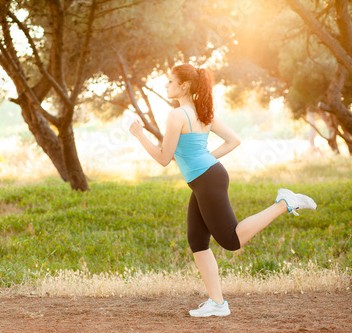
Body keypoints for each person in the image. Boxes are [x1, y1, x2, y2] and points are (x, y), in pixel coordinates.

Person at [129, 63, 317, 317]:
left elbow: (164, 158)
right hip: (207, 177)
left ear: (183, 85)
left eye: (170, 82)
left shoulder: (177, 115)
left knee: (231, 240)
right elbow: (233, 141)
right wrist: (207, 158)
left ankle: (284, 202)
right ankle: (217, 303)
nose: (166, 86)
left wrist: (139, 135)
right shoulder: (202, 111)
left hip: (207, 179)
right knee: (197, 241)